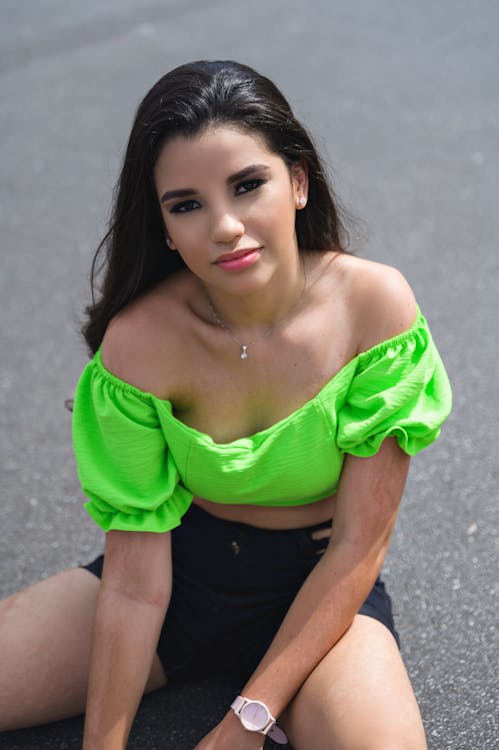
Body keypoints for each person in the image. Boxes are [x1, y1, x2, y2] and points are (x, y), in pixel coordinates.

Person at [0, 60, 452, 749]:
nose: (225, 227)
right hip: (176, 577)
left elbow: (360, 545)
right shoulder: (139, 343)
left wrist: (247, 719)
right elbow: (133, 581)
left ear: (297, 183)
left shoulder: (374, 309)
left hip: (317, 587)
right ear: (163, 226)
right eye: (187, 204)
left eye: (247, 186)